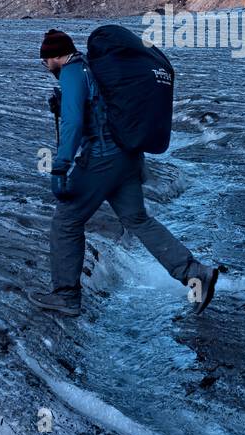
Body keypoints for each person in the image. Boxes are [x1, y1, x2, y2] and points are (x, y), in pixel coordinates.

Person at [28, 29, 218, 317]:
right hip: (127, 157)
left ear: (54, 57)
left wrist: (61, 165)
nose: (45, 65)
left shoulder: (71, 72)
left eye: (45, 60)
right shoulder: (95, 68)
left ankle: (66, 296)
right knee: (137, 219)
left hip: (102, 159)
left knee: (66, 221)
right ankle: (194, 272)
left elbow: (74, 124)